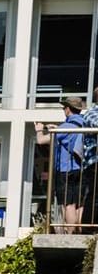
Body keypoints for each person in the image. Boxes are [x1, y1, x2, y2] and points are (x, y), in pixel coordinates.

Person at [37, 97, 96, 231]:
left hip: (66, 170)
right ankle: (81, 232)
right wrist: (57, 128)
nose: (64, 110)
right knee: (80, 204)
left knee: (68, 204)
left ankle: (70, 235)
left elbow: (41, 141)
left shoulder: (65, 127)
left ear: (68, 109)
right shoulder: (84, 124)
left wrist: (39, 129)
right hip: (82, 169)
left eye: (64, 108)